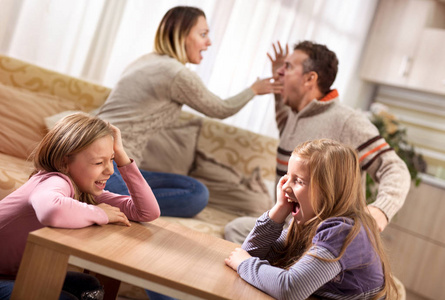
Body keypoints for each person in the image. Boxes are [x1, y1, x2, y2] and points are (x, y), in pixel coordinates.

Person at [97, 6, 277, 218]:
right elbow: (221, 108)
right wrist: (254, 90)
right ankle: (118, 202)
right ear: (182, 35)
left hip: (115, 162)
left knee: (196, 190)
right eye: (203, 35)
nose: (208, 42)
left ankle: (113, 197)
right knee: (196, 196)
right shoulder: (176, 73)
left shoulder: (148, 60)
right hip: (107, 162)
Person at [224, 41, 411, 243]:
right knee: (236, 230)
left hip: (319, 237)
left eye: (289, 67)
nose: (280, 73)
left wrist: (382, 209)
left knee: (240, 236)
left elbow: (394, 168)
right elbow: (284, 116)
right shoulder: (295, 116)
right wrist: (281, 81)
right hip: (288, 226)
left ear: (310, 78)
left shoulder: (346, 121)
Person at [0, 113, 160, 300]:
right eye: (99, 162)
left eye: (112, 160)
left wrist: (123, 157)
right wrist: (101, 213)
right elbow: (51, 210)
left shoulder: (83, 193)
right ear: (64, 162)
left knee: (88, 286)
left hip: (16, 272)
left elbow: (147, 212)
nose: (109, 170)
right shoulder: (55, 180)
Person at [225, 139, 398, 300]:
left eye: (298, 181)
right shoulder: (311, 222)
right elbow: (252, 252)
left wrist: (244, 263)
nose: (285, 186)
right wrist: (279, 210)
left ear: (329, 191)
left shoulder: (343, 231)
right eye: (287, 177)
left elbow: (290, 289)